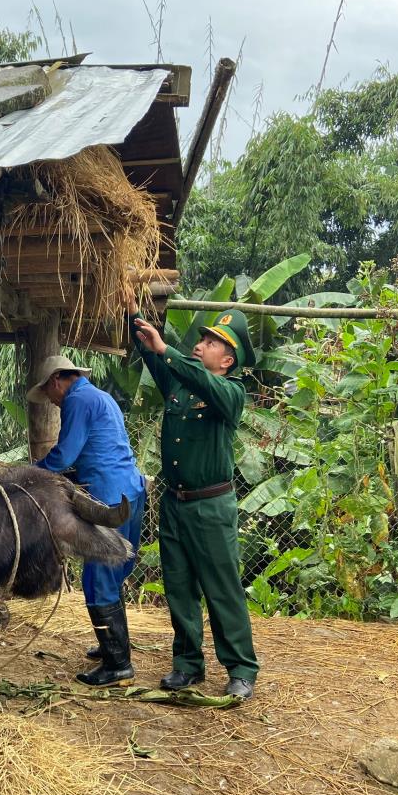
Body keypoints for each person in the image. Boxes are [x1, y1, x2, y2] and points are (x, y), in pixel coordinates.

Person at [124, 286, 260, 700]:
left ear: (228, 359)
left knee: (221, 587)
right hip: (175, 505)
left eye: (210, 342)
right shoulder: (181, 385)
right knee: (179, 586)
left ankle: (240, 668)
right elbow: (154, 354)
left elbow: (188, 370)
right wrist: (134, 315)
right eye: (201, 340)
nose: (200, 346)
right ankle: (187, 665)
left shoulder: (230, 393)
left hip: (212, 507)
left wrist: (168, 351)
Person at [27, 354, 146, 687]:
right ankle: (112, 644)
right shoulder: (100, 396)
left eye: (48, 393)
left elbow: (65, 454)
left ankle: (118, 664)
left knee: (99, 576)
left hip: (107, 497)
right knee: (115, 570)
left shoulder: (76, 401)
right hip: (130, 489)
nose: (50, 401)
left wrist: (28, 473)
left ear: (55, 381)